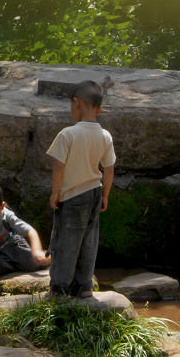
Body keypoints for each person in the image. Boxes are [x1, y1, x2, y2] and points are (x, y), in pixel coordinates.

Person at [46, 80, 116, 299]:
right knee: (88, 241)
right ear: (99, 108)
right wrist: (105, 195)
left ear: (75, 103)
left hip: (72, 196)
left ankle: (60, 288)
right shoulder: (105, 136)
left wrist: (55, 192)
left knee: (66, 241)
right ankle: (84, 286)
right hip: (94, 192)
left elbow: (59, 166)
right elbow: (109, 168)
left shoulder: (68, 134)